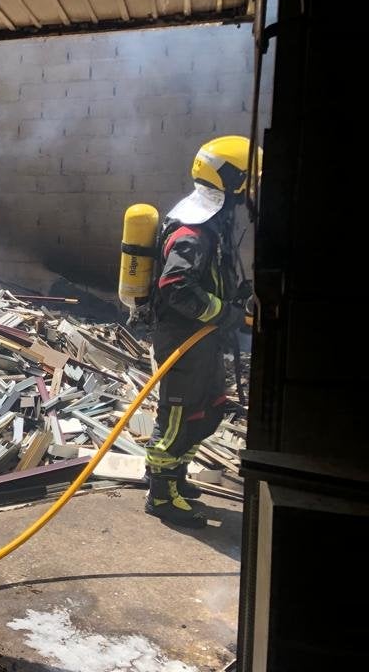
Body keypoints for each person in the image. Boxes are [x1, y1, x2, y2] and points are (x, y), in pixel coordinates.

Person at [145, 135, 257, 528]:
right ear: (228, 179)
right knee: (176, 417)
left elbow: (206, 281)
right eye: (246, 182)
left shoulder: (211, 226)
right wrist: (222, 312)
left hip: (202, 339)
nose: (249, 193)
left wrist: (232, 299)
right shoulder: (192, 232)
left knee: (205, 409)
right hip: (183, 341)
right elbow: (176, 287)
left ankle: (173, 477)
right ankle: (161, 494)